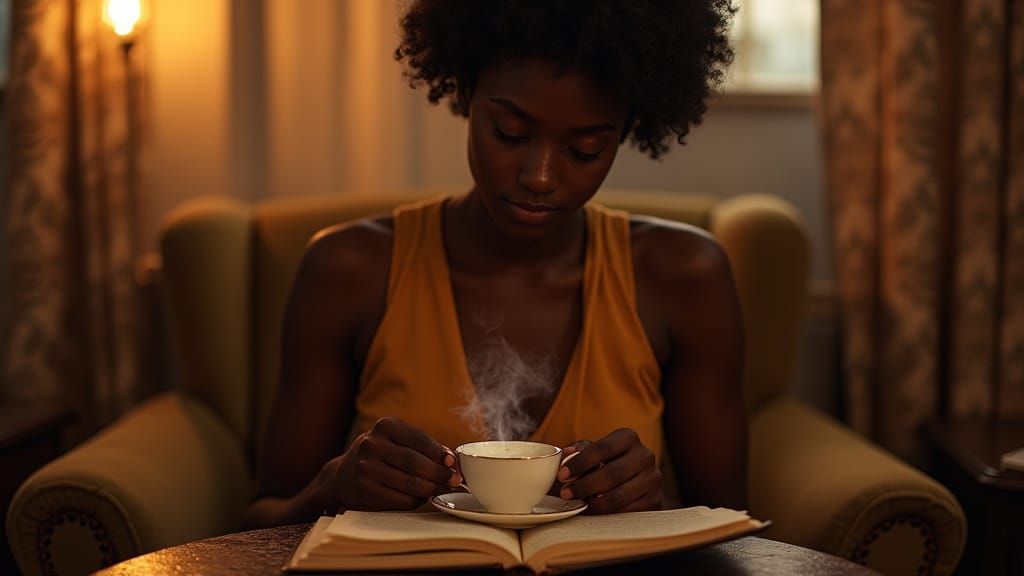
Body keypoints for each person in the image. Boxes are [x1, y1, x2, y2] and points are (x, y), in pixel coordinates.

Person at [244, 0, 745, 528]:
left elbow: (736, 530)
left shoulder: (683, 277)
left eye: (585, 150)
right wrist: (333, 489)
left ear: (625, 132)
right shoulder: (349, 270)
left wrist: (652, 505)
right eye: (509, 132)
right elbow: (258, 522)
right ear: (464, 92)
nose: (540, 177)